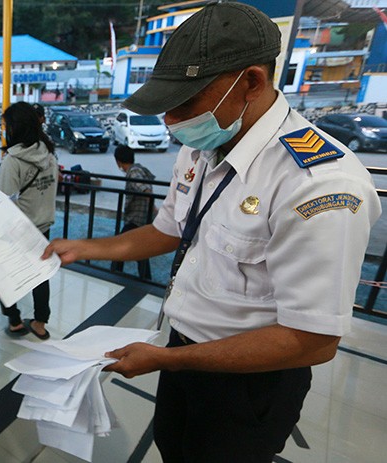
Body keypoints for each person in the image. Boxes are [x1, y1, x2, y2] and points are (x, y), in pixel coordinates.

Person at [43, 3, 380, 462]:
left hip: (250, 380)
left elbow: (313, 340)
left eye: (185, 104)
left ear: (252, 82)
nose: (170, 121)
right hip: (180, 351)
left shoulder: (317, 183)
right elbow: (168, 232)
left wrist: (165, 359)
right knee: (175, 447)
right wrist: (85, 247)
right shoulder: (205, 145)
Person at [0, 102, 58, 339]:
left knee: (5, 273)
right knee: (40, 276)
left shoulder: (13, 160)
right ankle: (40, 323)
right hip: (43, 226)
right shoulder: (49, 152)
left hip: (17, 228)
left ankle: (14, 320)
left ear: (14, 128)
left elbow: (3, 200)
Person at [111, 144, 155, 279]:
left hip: (136, 218)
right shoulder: (138, 169)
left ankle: (115, 273)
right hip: (140, 218)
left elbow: (144, 188)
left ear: (118, 161)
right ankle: (145, 277)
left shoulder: (134, 172)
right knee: (140, 251)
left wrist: (153, 208)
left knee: (118, 246)